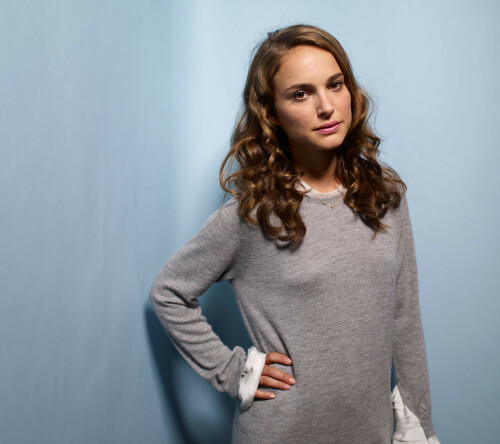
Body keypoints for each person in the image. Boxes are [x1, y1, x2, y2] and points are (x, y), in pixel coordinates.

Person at [149, 24, 441, 444]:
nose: (326, 106)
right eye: (301, 94)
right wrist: (235, 372)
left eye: (335, 85)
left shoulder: (385, 196)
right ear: (271, 113)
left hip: (371, 433)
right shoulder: (253, 214)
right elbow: (168, 293)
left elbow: (405, 318)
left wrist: (419, 423)